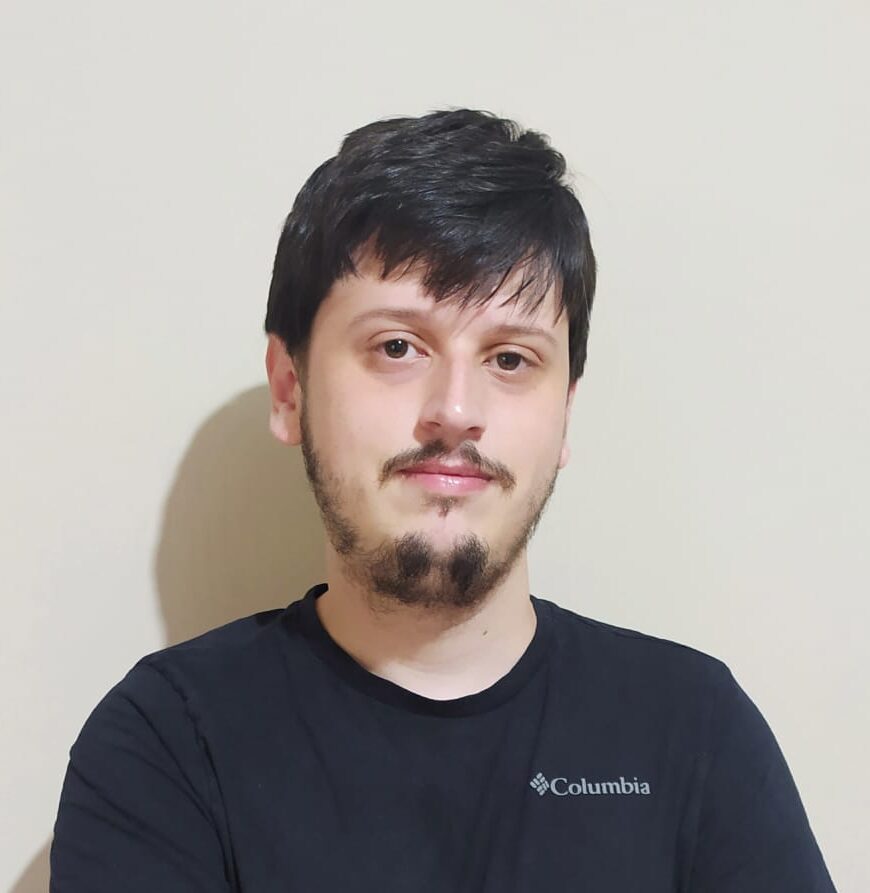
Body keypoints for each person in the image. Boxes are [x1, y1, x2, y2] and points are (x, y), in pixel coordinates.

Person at [50, 108, 837, 892]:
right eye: (397, 346)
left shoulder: (695, 732)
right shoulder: (167, 747)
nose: (456, 410)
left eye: (511, 358)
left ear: (565, 412)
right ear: (290, 389)